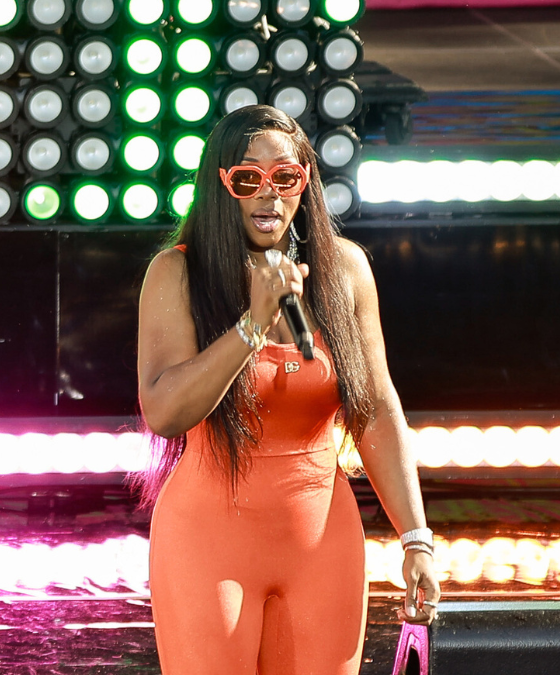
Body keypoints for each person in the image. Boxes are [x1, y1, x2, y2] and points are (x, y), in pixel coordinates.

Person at [135, 105, 440, 674]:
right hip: (208, 546)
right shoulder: (177, 274)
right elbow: (164, 411)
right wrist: (251, 326)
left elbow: (376, 410)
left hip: (320, 545)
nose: (268, 193)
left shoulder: (344, 270)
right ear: (220, 185)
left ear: (306, 182)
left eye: (286, 176)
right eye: (248, 178)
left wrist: (415, 538)